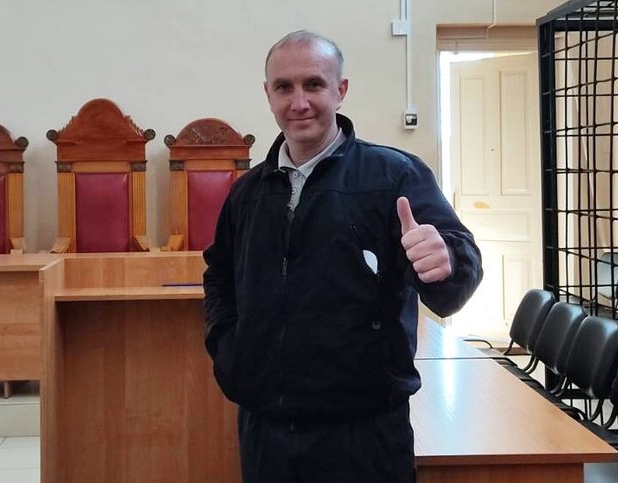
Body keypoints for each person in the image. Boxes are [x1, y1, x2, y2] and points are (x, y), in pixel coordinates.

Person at [203, 30, 483, 483]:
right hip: (266, 431)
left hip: (364, 434)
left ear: (340, 90)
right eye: (284, 87)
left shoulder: (395, 175)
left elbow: (454, 269)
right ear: (268, 95)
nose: (299, 102)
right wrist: (229, 346)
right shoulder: (247, 193)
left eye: (313, 84)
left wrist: (447, 261)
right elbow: (219, 273)